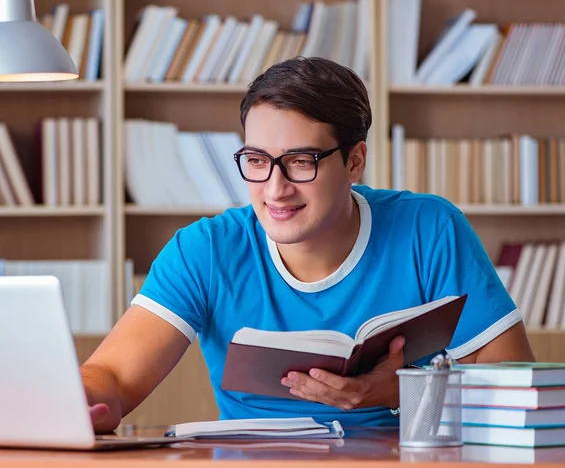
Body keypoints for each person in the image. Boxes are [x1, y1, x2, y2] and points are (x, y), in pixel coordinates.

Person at [81, 56, 535, 434]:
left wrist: (400, 389)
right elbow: (114, 376)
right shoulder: (206, 250)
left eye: (301, 162)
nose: (274, 189)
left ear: (354, 161)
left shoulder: (429, 229)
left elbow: (514, 385)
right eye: (257, 161)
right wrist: (76, 397)